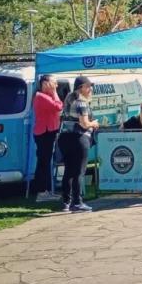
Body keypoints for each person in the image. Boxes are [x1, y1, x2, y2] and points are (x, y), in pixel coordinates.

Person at [57, 76, 98, 212]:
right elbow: (84, 123)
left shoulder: (69, 98)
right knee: (79, 172)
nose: (90, 89)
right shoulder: (81, 102)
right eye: (88, 86)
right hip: (78, 138)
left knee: (68, 171)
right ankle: (77, 202)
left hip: (64, 138)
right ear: (81, 88)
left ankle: (66, 202)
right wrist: (94, 123)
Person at [32, 74, 63, 195]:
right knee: (44, 161)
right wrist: (55, 92)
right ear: (45, 84)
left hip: (49, 131)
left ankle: (46, 188)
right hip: (44, 133)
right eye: (54, 83)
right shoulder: (41, 97)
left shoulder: (46, 96)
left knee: (46, 160)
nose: (56, 85)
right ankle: (42, 189)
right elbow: (58, 106)